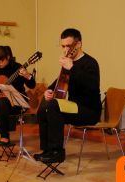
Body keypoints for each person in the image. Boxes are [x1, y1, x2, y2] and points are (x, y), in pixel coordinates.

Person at [33, 28, 102, 163]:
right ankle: (47, 150)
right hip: (73, 108)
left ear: (78, 44)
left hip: (89, 110)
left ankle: (57, 152)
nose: (65, 50)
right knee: (44, 106)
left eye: (69, 46)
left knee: (53, 105)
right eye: (63, 46)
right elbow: (59, 81)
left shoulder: (90, 63)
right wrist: (49, 91)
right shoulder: (69, 63)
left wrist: (72, 68)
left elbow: (92, 85)